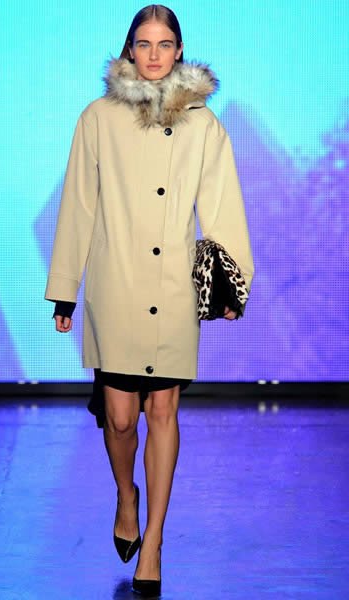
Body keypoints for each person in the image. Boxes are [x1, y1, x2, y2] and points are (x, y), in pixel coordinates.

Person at [44, 4, 254, 597]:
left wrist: (232, 284)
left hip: (173, 287)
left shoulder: (204, 125)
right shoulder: (98, 118)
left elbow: (223, 206)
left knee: (163, 411)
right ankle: (125, 494)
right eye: (144, 43)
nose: (155, 54)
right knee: (119, 418)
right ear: (129, 49)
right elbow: (78, 204)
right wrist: (64, 289)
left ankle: (154, 543)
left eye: (165, 44)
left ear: (179, 50)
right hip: (115, 283)